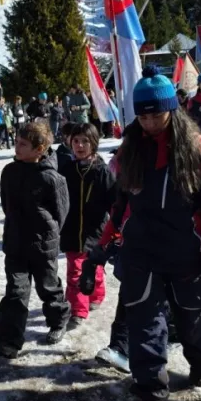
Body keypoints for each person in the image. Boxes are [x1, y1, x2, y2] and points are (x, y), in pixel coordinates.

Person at [114, 67, 201, 401]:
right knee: (144, 324)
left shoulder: (200, 150)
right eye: (143, 114)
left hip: (186, 254)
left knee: (189, 319)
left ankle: (200, 360)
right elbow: (118, 205)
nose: (149, 122)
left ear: (173, 109)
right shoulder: (130, 149)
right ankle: (150, 394)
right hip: (141, 254)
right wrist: (104, 245)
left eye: (156, 114)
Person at [0, 122, 71, 358]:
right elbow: (7, 205)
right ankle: (9, 341)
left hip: (43, 245)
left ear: (40, 149)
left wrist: (47, 232)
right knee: (15, 291)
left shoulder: (52, 178)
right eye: (16, 142)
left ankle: (58, 320)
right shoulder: (9, 172)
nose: (17, 147)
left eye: (23, 144)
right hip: (15, 243)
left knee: (48, 287)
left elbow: (61, 212)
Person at [59, 123, 115, 329]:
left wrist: (115, 227)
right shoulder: (66, 170)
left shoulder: (102, 172)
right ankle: (78, 310)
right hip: (72, 231)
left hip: (96, 231)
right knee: (75, 272)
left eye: (85, 141)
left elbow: (114, 202)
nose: (80, 145)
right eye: (76, 141)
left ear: (94, 144)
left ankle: (96, 293)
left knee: (95, 266)